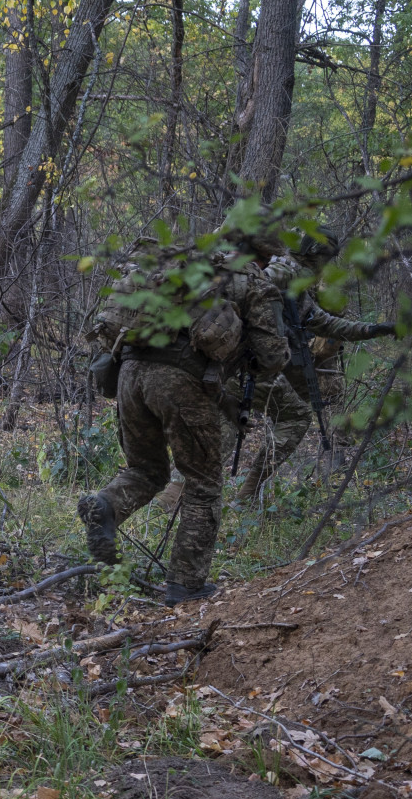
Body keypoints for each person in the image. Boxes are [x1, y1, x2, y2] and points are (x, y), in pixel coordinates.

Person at [79, 238, 289, 605]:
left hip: (129, 372)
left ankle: (105, 504)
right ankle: (185, 584)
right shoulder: (251, 281)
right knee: (204, 484)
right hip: (179, 379)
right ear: (265, 255)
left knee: (146, 470)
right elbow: (272, 357)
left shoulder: (186, 262)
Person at [225, 241, 397, 499]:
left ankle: (176, 496)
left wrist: (373, 329)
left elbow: (325, 323)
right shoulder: (281, 275)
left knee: (221, 428)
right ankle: (247, 494)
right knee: (296, 417)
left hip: (224, 365)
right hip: (249, 367)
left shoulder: (284, 284)